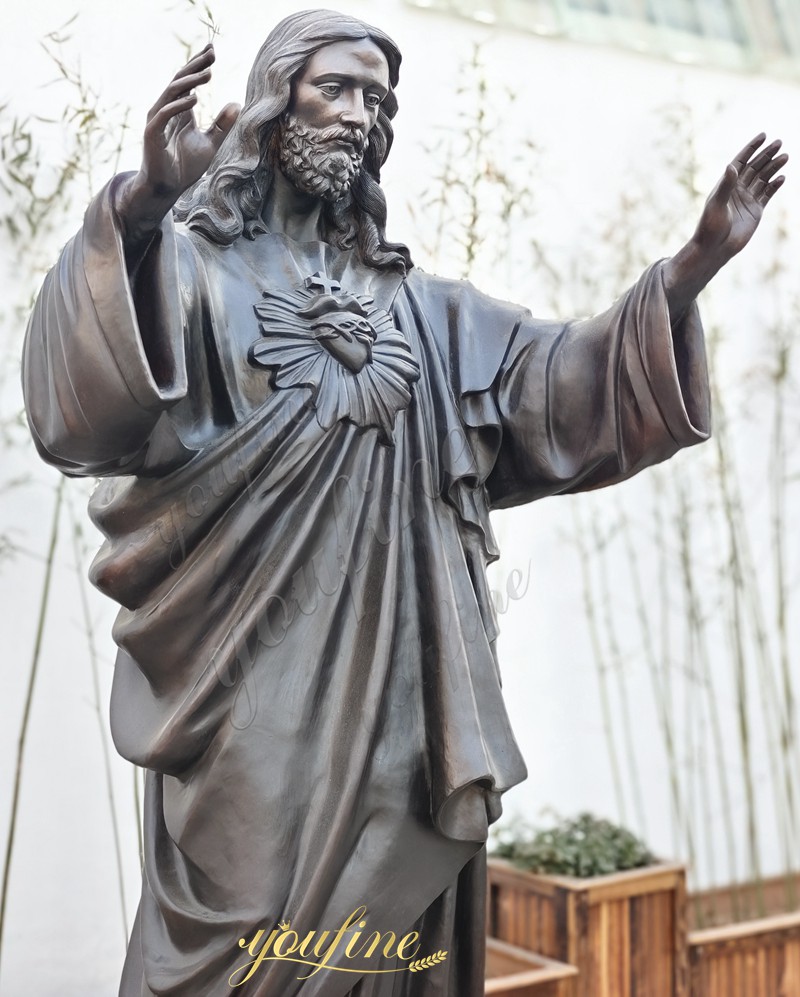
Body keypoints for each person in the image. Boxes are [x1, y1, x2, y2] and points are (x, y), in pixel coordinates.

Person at [21, 9, 786, 996]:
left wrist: (688, 268)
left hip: (406, 700)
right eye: (332, 88)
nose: (356, 115)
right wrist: (138, 207)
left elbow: (558, 381)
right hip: (246, 692)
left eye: (376, 101)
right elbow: (77, 416)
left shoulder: (421, 308)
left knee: (394, 951)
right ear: (270, 99)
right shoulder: (189, 269)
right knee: (249, 933)